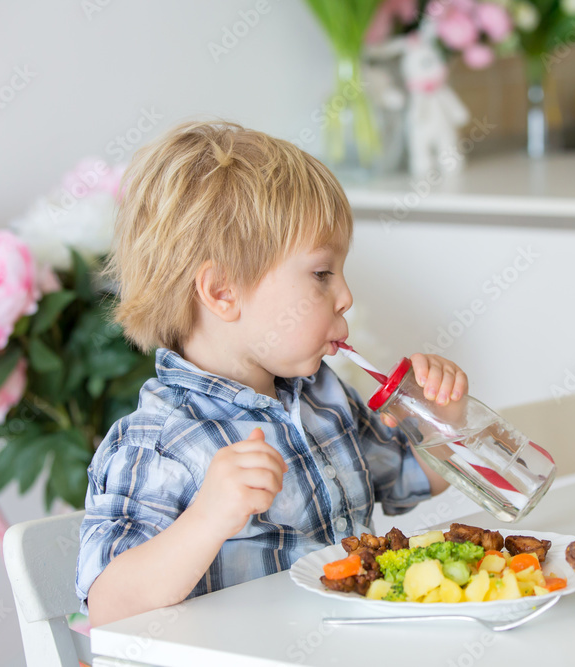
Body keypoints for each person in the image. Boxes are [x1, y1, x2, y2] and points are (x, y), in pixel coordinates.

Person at [75, 119, 468, 627]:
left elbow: (411, 479)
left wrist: (443, 420)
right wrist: (207, 518)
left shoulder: (324, 397)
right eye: (322, 273)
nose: (346, 296)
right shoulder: (157, 442)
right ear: (222, 292)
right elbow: (109, 606)